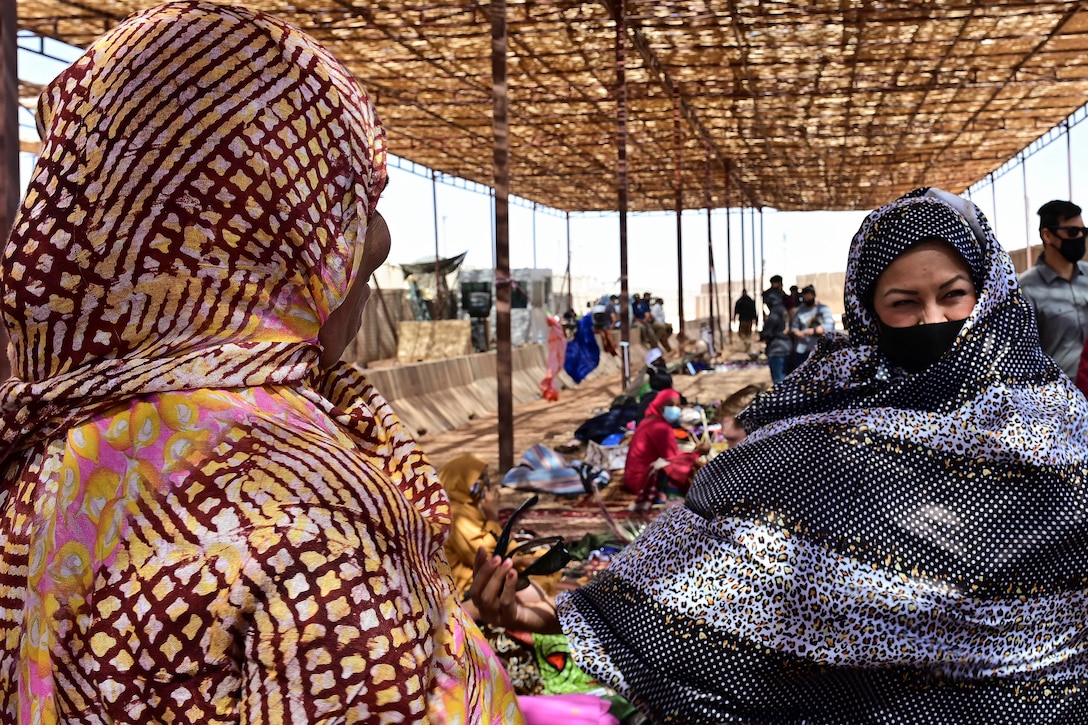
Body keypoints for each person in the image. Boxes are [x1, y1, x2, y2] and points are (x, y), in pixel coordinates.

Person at [0, 4, 523, 722]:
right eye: (344, 210)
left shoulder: (44, 459)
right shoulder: (304, 509)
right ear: (273, 234)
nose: (364, 242)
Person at [471, 187, 1088, 723]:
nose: (934, 318)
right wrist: (567, 616)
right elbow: (717, 574)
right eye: (903, 303)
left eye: (955, 295)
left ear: (989, 294)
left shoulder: (1063, 429)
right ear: (870, 315)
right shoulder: (814, 444)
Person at [1018, 199, 1088, 379]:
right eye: (1073, 232)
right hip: (1064, 399)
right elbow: (1023, 357)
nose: (1080, 238)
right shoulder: (1026, 290)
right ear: (1048, 236)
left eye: (1083, 231)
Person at [622, 389, 705, 510]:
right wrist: (697, 454)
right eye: (670, 405)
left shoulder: (648, 421)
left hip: (632, 478)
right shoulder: (660, 427)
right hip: (643, 482)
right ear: (660, 406)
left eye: (677, 405)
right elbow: (672, 461)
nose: (675, 409)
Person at [440, 455, 501, 598]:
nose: (485, 483)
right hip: (464, 590)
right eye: (480, 478)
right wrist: (492, 518)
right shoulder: (454, 515)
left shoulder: (468, 509)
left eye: (486, 477)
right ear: (460, 481)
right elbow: (486, 556)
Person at [788, 283, 835, 371]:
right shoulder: (800, 311)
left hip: (820, 349)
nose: (807, 299)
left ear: (814, 296)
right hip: (802, 350)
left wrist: (811, 331)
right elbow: (794, 327)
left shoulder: (823, 309)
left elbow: (829, 326)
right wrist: (797, 333)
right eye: (805, 297)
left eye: (809, 296)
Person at [759, 288, 791, 384]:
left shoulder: (775, 313)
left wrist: (762, 335)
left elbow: (766, 333)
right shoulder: (783, 310)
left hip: (777, 350)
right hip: (787, 348)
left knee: (779, 383)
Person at [733, 288, 758, 353]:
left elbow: (736, 311)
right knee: (747, 334)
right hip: (748, 320)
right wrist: (755, 319)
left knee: (742, 334)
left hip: (743, 320)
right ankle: (747, 346)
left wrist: (734, 318)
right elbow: (754, 310)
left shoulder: (740, 301)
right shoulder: (750, 300)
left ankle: (746, 345)